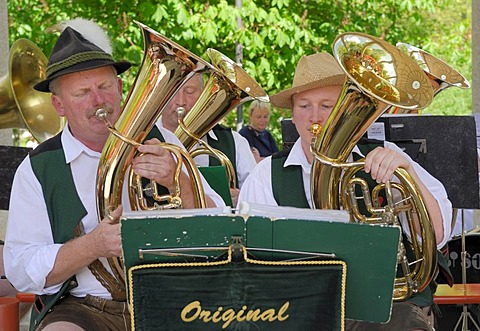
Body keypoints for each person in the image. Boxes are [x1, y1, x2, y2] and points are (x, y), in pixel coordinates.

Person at [3, 19, 224, 331]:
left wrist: (181, 183)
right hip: (85, 307)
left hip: (170, 298)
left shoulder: (164, 142)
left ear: (120, 88)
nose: (98, 101)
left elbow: (222, 231)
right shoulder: (38, 168)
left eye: (104, 87)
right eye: (82, 92)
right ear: (59, 105)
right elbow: (21, 270)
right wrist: (93, 245)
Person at [237, 52, 453, 331]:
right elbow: (248, 256)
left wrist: (408, 172)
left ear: (343, 110)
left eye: (326, 105)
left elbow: (436, 235)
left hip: (387, 309)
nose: (314, 116)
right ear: (292, 112)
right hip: (301, 309)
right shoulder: (266, 174)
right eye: (304, 105)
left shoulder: (387, 157)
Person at [159, 73, 257, 207]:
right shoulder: (141, 139)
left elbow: (258, 197)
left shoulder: (235, 142)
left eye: (189, 91)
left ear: (203, 94)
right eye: (173, 91)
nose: (180, 101)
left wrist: (242, 198)